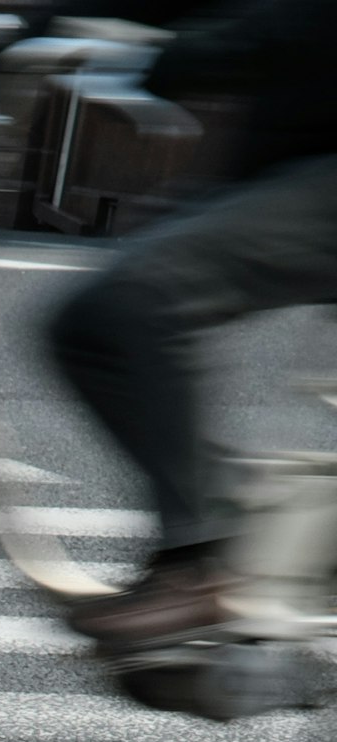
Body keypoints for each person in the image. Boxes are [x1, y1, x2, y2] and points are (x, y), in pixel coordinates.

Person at [44, 0, 337, 656]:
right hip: (295, 148)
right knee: (98, 310)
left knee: (130, 302)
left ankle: (200, 563)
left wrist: (201, 49)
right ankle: (240, 536)